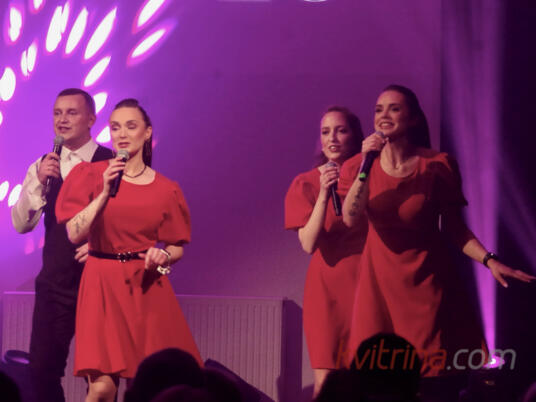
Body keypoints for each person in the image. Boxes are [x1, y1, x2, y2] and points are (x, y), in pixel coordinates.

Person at [339, 84, 535, 376]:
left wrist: (489, 260)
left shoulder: (438, 165)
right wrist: (366, 165)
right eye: (378, 110)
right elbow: (350, 218)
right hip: (377, 285)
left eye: (394, 108)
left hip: (424, 282)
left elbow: (455, 228)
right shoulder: (358, 166)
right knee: (377, 377)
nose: (384, 115)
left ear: (413, 118)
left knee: (426, 376)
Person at [55, 98, 202, 402]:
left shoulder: (166, 189)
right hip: (101, 284)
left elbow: (176, 246)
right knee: (101, 389)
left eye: (130, 126)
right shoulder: (90, 175)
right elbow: (74, 232)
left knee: (155, 387)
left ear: (147, 133)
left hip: (146, 285)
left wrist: (163, 256)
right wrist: (104, 193)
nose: (121, 134)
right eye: (115, 127)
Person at [11, 88, 113, 402]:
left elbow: (126, 221)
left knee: (101, 376)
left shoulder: (111, 162)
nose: (62, 120)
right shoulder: (44, 164)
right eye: (57, 113)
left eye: (71, 112)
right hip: (55, 283)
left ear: (91, 119)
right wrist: (40, 182)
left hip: (100, 281)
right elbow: (21, 224)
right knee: (42, 370)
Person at [284, 106, 366, 396]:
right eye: (325, 132)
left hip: (366, 283)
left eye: (341, 130)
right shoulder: (305, 183)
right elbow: (308, 244)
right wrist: (322, 192)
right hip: (327, 290)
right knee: (326, 380)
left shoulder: (369, 176)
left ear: (355, 136)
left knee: (366, 376)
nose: (332, 138)